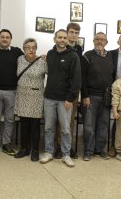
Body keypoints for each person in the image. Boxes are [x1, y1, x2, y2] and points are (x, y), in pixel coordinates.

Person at [40, 29, 81, 168]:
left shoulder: (73, 56)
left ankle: (66, 154)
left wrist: (70, 98)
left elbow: (77, 79)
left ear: (67, 40)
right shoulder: (50, 54)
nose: (62, 40)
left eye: (64, 37)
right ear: (55, 39)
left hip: (65, 100)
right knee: (48, 127)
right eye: (59, 37)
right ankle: (49, 152)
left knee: (65, 129)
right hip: (49, 98)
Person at [0, 29, 23, 156]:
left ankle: (6, 143)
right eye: (2, 37)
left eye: (7, 37)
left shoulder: (17, 52)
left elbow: (28, 59)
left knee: (10, 119)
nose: (4, 39)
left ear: (10, 39)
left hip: (12, 91)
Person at [81, 32, 114, 161]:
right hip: (91, 96)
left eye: (102, 39)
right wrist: (85, 95)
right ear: (93, 41)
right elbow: (82, 78)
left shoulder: (110, 56)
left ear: (106, 42)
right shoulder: (87, 56)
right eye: (97, 39)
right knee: (89, 126)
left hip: (106, 96)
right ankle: (88, 151)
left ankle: (100, 150)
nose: (100, 41)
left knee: (103, 124)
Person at [14, 38, 47, 161]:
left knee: (34, 125)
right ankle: (24, 149)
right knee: (24, 124)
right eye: (28, 47)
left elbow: (53, 75)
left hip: (36, 97)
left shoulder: (43, 61)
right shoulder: (20, 59)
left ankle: (35, 150)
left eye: (33, 47)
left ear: (36, 48)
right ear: (24, 49)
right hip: (22, 95)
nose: (31, 49)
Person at [54, 23, 82, 159]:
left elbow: (78, 73)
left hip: (73, 91)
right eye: (71, 32)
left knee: (69, 121)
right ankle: (58, 147)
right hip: (59, 91)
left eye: (76, 33)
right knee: (60, 121)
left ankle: (68, 147)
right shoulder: (58, 48)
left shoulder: (78, 49)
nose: (73, 35)